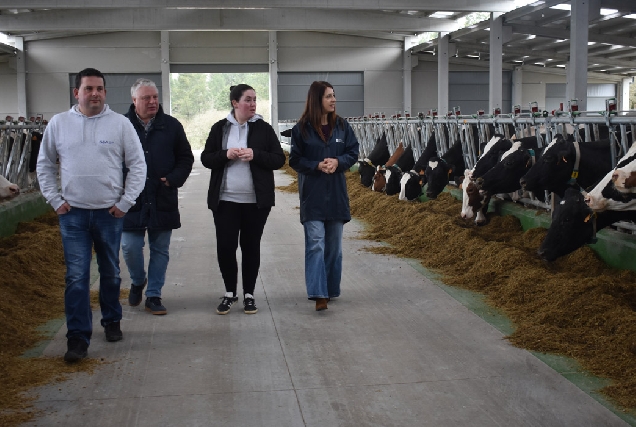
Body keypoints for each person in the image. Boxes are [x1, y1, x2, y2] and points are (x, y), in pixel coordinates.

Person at [36, 68, 147, 362]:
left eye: (99, 89)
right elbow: (44, 164)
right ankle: (77, 338)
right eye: (88, 89)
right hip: (72, 214)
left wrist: (125, 202)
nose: (94, 93)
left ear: (105, 93)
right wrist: (54, 199)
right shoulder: (59, 124)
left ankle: (112, 320)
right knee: (76, 276)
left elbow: (138, 165)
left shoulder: (120, 124)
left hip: (109, 213)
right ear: (77, 93)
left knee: (110, 271)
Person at [201, 84, 285, 315]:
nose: (253, 104)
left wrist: (255, 154)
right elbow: (206, 158)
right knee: (226, 247)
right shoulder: (220, 128)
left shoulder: (264, 129)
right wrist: (225, 155)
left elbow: (279, 159)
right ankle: (230, 293)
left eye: (255, 99)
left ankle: (249, 294)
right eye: (248, 100)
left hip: (256, 202)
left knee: (250, 247)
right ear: (235, 103)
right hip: (225, 200)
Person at [121, 78, 194, 316]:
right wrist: (120, 185)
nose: (153, 101)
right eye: (146, 98)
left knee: (160, 248)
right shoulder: (121, 125)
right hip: (131, 199)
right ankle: (137, 280)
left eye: (155, 97)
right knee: (130, 246)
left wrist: (172, 179)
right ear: (134, 100)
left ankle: (153, 295)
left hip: (162, 196)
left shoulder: (171, 126)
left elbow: (185, 157)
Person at [288, 81, 359, 311]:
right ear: (316, 99)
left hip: (337, 195)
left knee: (334, 248)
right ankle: (318, 293)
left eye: (334, 95)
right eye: (328, 96)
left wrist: (338, 162)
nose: (333, 100)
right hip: (313, 195)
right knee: (316, 244)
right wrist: (316, 165)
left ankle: (329, 289)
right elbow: (295, 160)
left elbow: (353, 152)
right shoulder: (301, 129)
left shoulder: (342, 126)